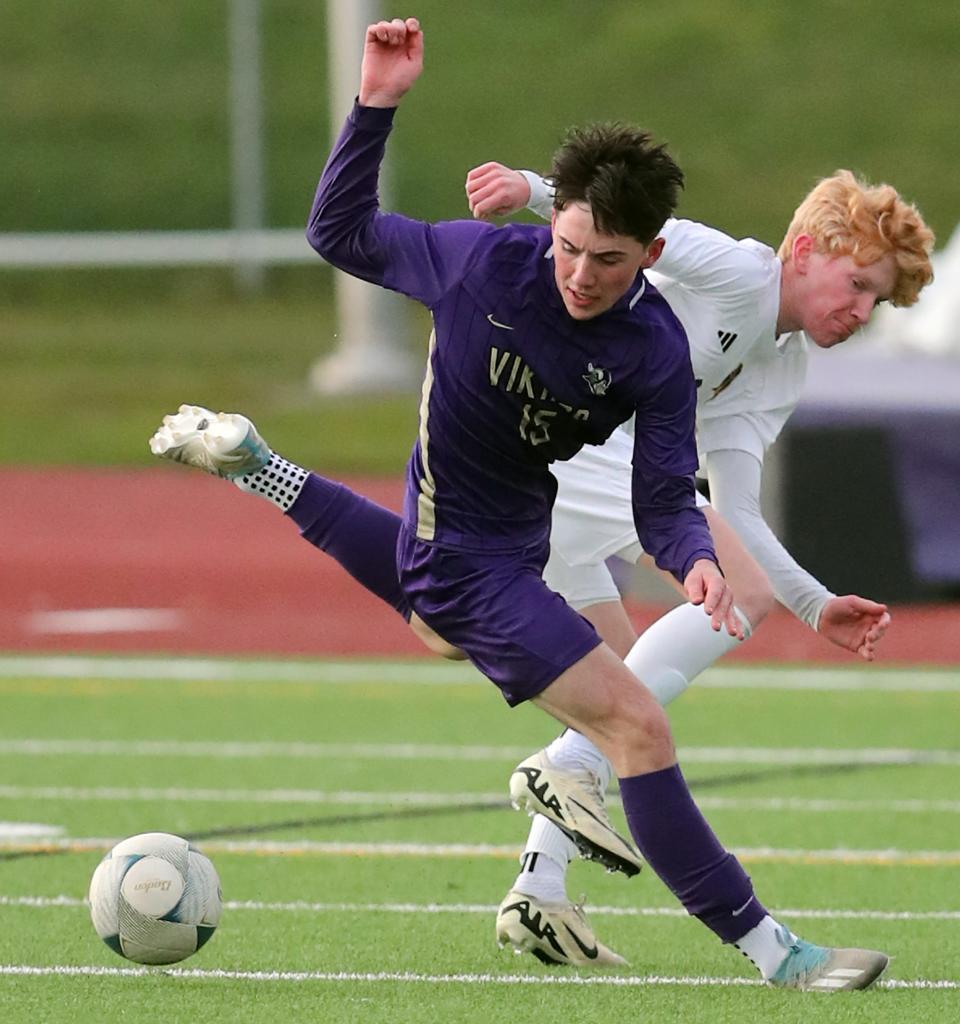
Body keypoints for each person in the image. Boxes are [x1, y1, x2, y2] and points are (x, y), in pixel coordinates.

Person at [150, 17, 894, 991]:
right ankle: (776, 953)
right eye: (573, 246)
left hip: (508, 543)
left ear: (650, 252)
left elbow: (667, 492)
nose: (583, 275)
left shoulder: (654, 349)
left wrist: (694, 557)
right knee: (636, 724)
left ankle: (265, 467)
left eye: (611, 260)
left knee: (452, 633)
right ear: (557, 222)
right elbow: (336, 231)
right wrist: (376, 103)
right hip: (470, 558)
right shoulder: (476, 262)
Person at [463, 163, 935, 962]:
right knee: (720, 607)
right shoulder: (740, 268)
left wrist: (816, 604)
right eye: (856, 283)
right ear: (806, 249)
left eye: (876, 300)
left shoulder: (781, 364)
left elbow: (740, 509)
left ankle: (539, 890)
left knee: (613, 681)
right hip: (555, 447)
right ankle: (570, 764)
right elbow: (625, 225)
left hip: (593, 472)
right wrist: (529, 189)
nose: (861, 311)